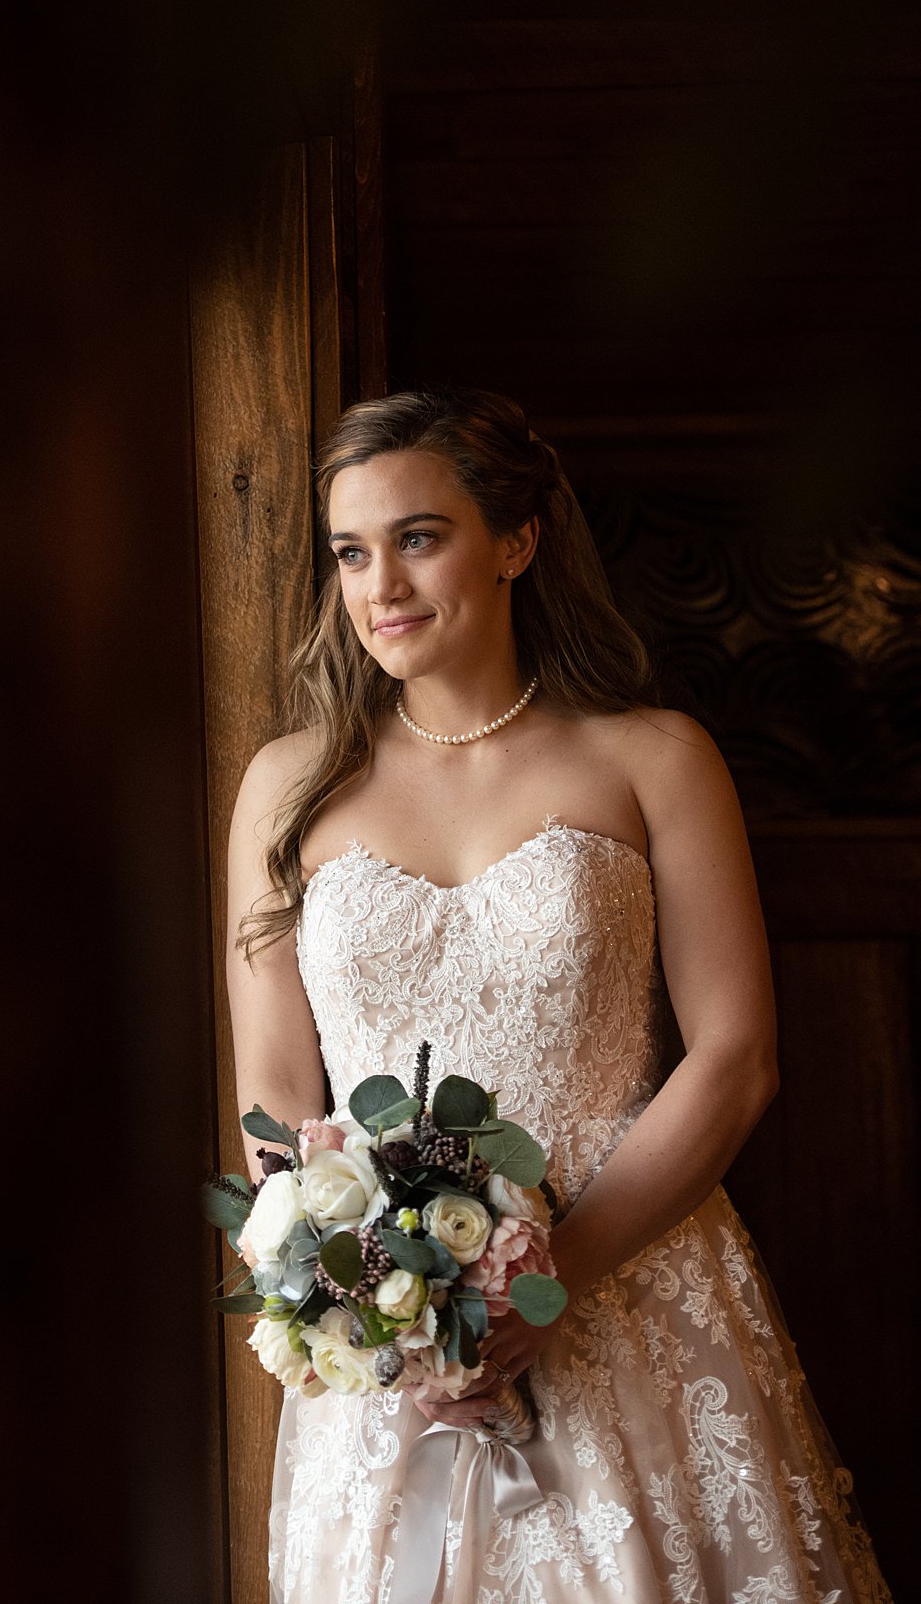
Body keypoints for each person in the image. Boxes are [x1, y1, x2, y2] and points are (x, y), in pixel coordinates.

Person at [226, 388, 893, 1604]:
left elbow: (734, 1056)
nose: (380, 582)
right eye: (350, 550)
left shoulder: (651, 756)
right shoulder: (287, 787)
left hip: (627, 1288)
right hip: (392, 1355)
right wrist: (380, 1309)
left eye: (418, 537)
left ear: (516, 540)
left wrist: (546, 1283)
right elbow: (273, 1097)